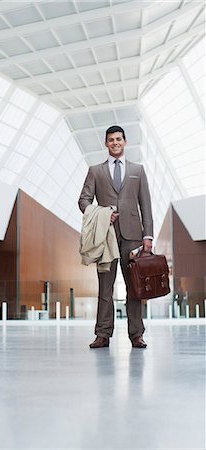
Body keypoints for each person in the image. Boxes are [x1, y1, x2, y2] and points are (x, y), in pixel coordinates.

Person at [78, 125, 153, 348]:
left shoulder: (137, 170)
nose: (115, 143)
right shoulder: (95, 171)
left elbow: (145, 205)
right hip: (106, 237)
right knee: (105, 287)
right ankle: (102, 334)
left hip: (133, 236)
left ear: (125, 141)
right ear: (106, 143)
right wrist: (102, 214)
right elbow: (83, 200)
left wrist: (147, 236)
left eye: (118, 139)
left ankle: (136, 334)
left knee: (134, 287)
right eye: (111, 140)